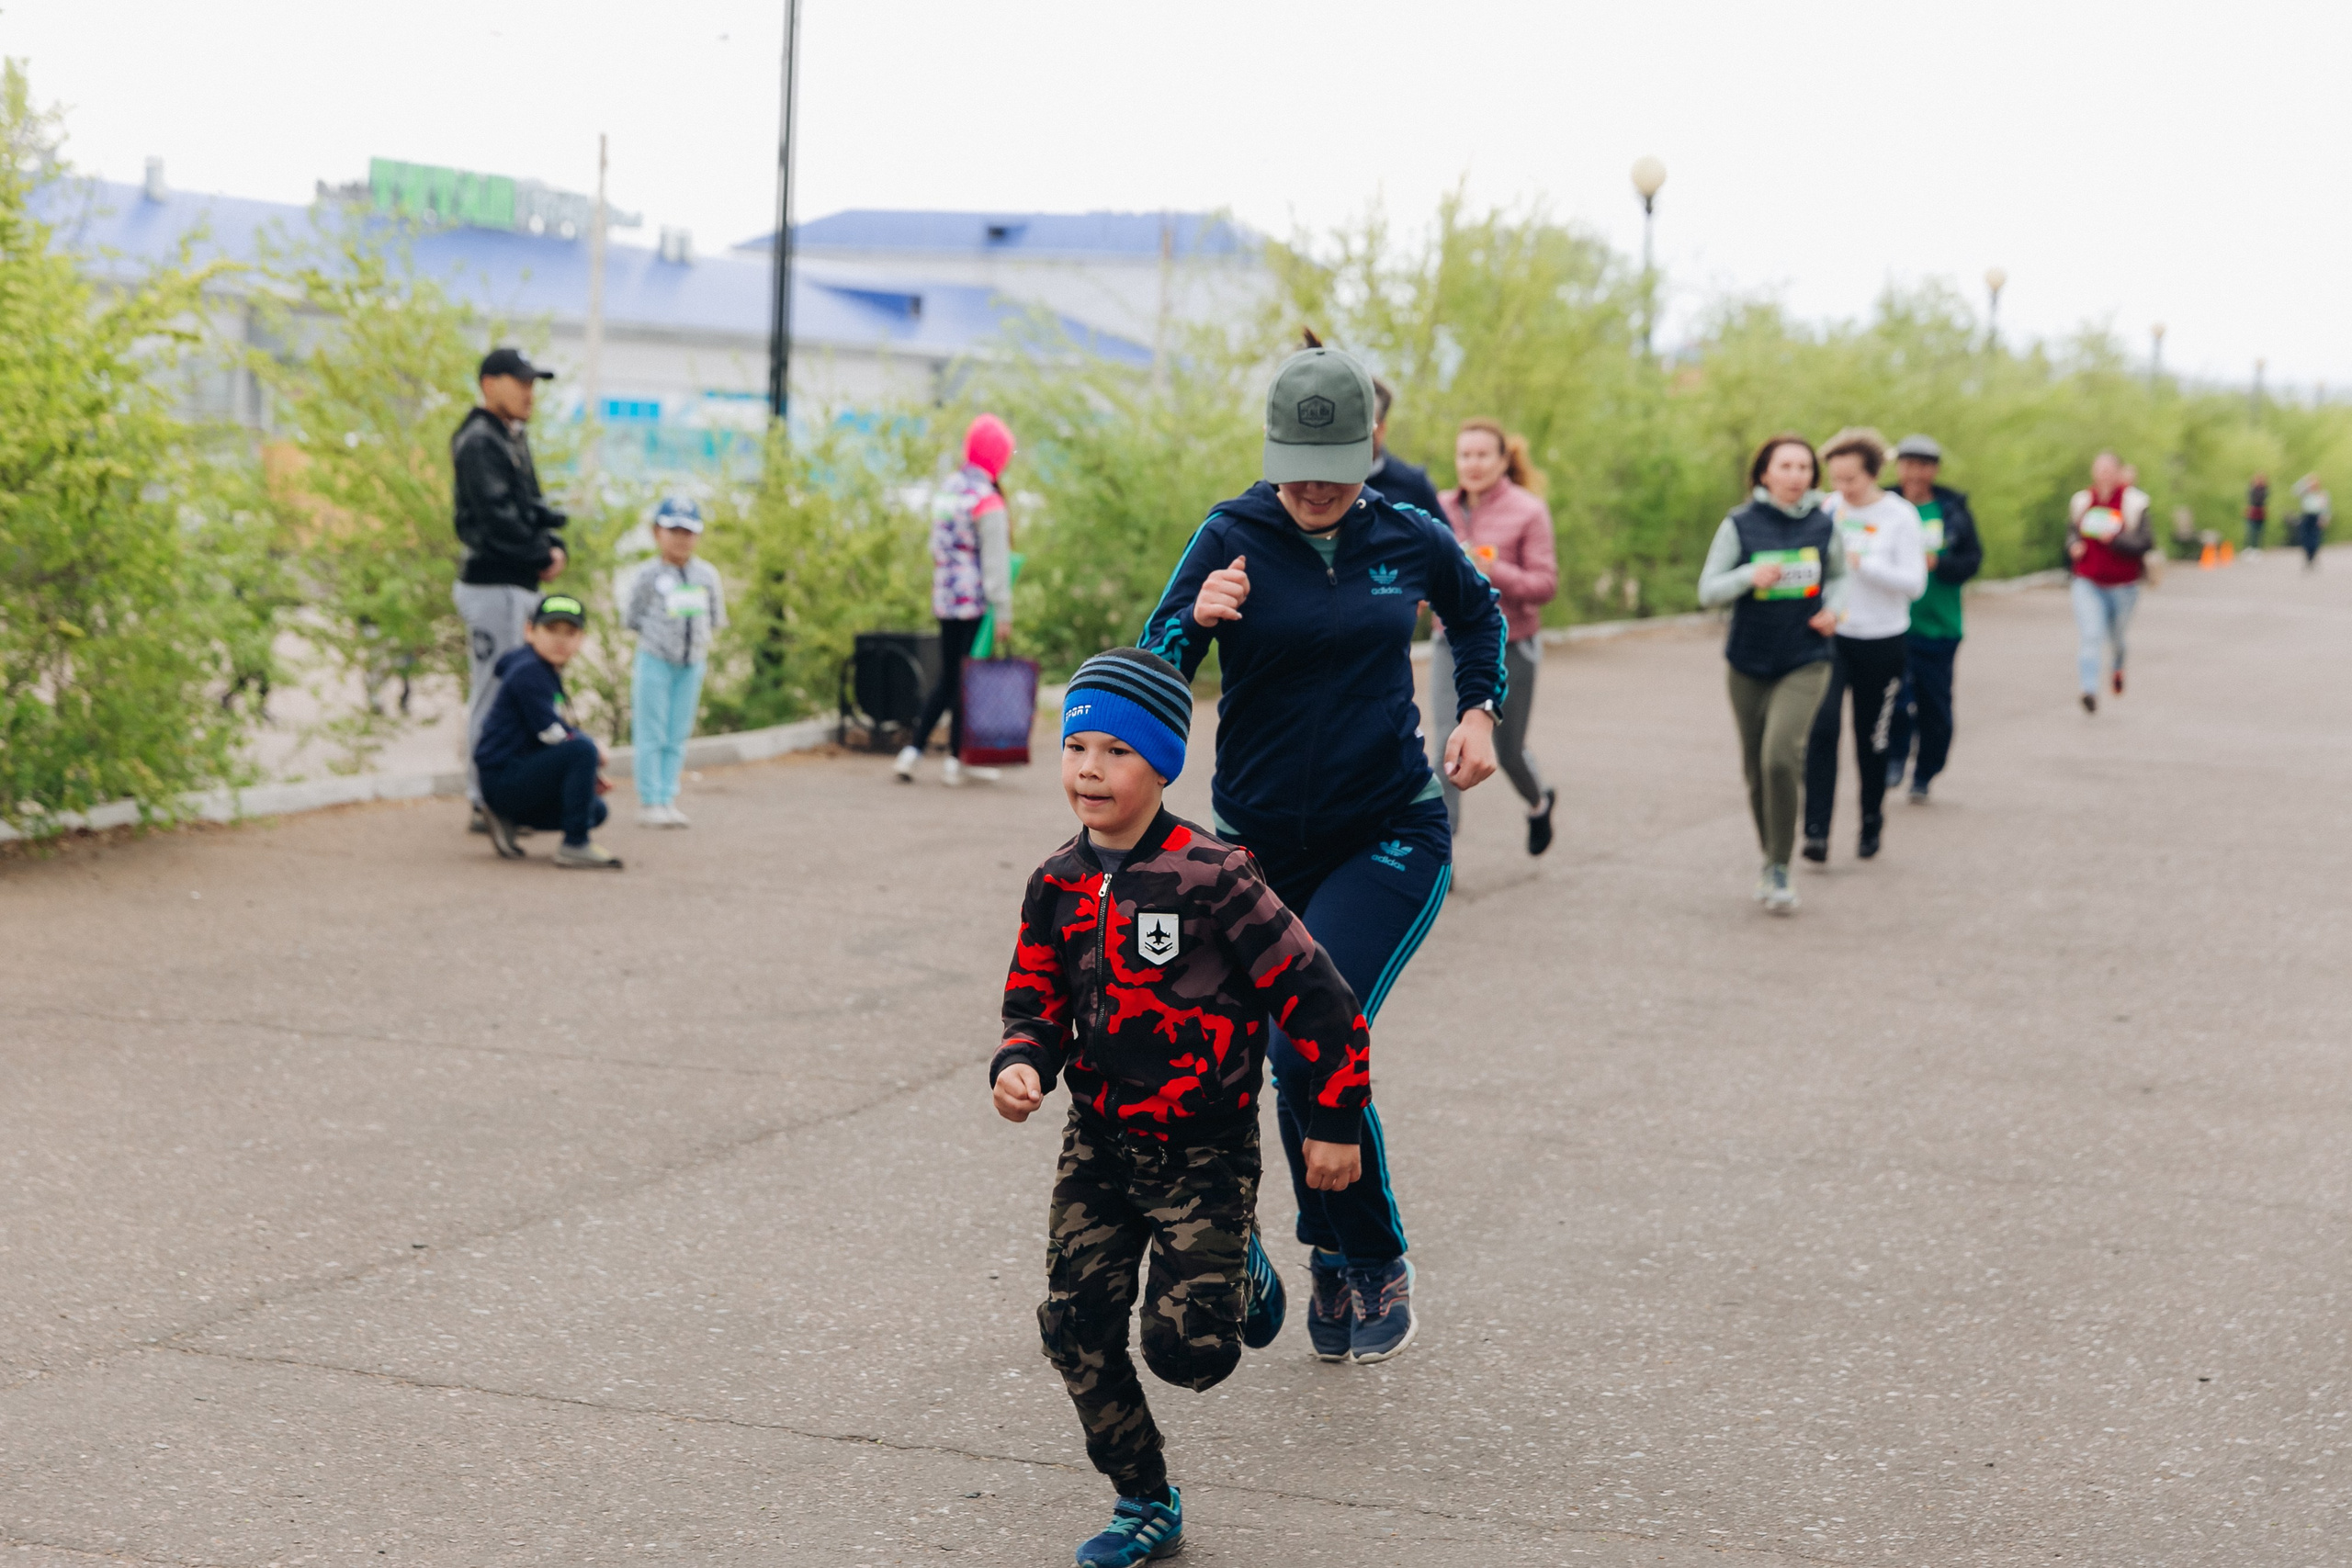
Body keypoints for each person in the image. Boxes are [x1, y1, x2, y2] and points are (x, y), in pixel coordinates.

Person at [1138, 335, 1505, 1363]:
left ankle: (1368, 1253)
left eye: (1332, 469)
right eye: (1291, 468)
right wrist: (1192, 623)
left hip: (1388, 831)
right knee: (1238, 1063)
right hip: (1256, 849)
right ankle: (1314, 1254)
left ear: (1371, 445)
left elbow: (1477, 613)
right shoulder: (1229, 533)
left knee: (1312, 1037)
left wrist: (1478, 712)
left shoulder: (1409, 533)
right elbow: (1150, 673)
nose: (1308, 487)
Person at [992, 647, 1372, 1567]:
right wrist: (1022, 1060)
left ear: (1162, 763)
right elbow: (1033, 995)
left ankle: (1238, 1270)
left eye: (1115, 751)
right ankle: (1142, 1500)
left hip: (1204, 1150)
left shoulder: (1215, 876)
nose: (1089, 768)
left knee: (1186, 1352)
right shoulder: (1058, 881)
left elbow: (1319, 998)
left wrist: (1332, 1120)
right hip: (1099, 1141)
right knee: (1075, 1323)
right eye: (1075, 745)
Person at [1696, 433, 1846, 913]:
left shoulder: (1825, 525)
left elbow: (1840, 576)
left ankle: (1780, 866)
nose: (1796, 475)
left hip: (1806, 656)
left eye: (1804, 468)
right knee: (1756, 770)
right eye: (1786, 466)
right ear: (1764, 473)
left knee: (1781, 757)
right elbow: (1708, 591)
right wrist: (1748, 577)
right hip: (1748, 662)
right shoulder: (1740, 523)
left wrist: (1835, 610)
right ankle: (1770, 858)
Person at [452, 347, 568, 833]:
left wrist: (553, 541)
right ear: (488, 383)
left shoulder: (509, 436)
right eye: (520, 382)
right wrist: (541, 554)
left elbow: (530, 505)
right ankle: (485, 800)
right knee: (495, 689)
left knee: (515, 689)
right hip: (494, 584)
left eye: (533, 383)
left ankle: (503, 794)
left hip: (514, 583)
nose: (529, 393)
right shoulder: (479, 439)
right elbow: (496, 520)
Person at [1432, 419, 1560, 852]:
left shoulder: (1528, 510)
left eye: (1482, 454)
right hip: (1449, 640)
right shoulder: (1438, 508)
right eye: (1464, 455)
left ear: (1503, 460)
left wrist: (1493, 570)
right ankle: (1441, 851)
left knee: (1507, 752)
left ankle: (1539, 802)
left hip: (1514, 645)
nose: (1472, 463)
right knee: (1445, 745)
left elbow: (1545, 585)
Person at [1800, 430, 1926, 863]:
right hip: (1832, 638)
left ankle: (1871, 820)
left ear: (1873, 475)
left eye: (1851, 479)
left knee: (1872, 739)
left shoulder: (1900, 517)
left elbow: (1915, 584)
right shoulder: (1828, 508)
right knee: (1822, 730)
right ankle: (1815, 830)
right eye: (1835, 479)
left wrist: (1864, 563)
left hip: (1883, 640)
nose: (1843, 489)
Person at [897, 415, 1015, 786]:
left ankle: (913, 750)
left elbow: (936, 544)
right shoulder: (988, 499)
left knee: (950, 675)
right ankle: (953, 759)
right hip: (975, 600)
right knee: (967, 678)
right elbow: (996, 563)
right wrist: (1003, 611)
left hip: (945, 595)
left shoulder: (948, 488)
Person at [473, 593, 622, 870]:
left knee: (595, 810)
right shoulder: (529, 670)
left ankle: (509, 818)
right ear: (529, 631)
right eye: (551, 630)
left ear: (581, 639)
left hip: (513, 776)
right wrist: (592, 751)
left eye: (570, 632)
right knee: (582, 749)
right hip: (503, 777)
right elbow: (552, 734)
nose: (560, 639)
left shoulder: (538, 667)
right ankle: (575, 845)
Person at [1882, 435, 1983, 803]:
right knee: (1892, 697)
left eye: (1923, 465)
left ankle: (1926, 771)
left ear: (1934, 469)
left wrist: (1939, 563)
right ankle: (1894, 756)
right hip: (1891, 624)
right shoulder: (1883, 505)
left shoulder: (1951, 509)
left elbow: (1973, 560)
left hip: (1939, 625)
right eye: (1908, 463)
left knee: (1934, 707)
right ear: (1898, 467)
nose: (1915, 472)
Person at [623, 497, 727, 828]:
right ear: (657, 532)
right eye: (674, 530)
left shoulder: (707, 575)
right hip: (655, 660)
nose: (681, 538)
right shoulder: (647, 574)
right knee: (651, 730)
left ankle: (668, 796)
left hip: (692, 662)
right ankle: (650, 799)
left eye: (689, 531)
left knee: (676, 732)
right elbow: (633, 616)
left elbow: (714, 617)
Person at [2067, 452, 2153, 713]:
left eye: (2108, 469)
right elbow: (2071, 532)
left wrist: (2114, 539)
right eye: (2099, 468)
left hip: (2123, 585)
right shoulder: (2082, 501)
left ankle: (2117, 666)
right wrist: (2073, 545)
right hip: (2088, 580)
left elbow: (2146, 543)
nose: (2103, 473)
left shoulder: (2134, 503)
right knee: (2091, 635)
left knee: (2116, 638)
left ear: (2118, 472)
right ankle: (2088, 690)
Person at [1364, 377, 1446, 518]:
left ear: (1382, 429)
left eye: (1365, 424)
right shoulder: (1321, 483)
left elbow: (1444, 537)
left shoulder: (1414, 484)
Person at [2295, 474, 2331, 569]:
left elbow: (2325, 507)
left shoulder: (2321, 494)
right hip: (2306, 516)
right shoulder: (2305, 493)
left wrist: (2325, 518)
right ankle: (2308, 556)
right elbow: (2295, 490)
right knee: (2305, 536)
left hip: (2316, 517)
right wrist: (2305, 480)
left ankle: (2313, 555)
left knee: (2315, 537)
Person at [2245, 473, 2270, 554]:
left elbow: (2262, 499)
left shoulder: (2264, 490)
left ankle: (2257, 548)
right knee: (2251, 530)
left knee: (2259, 530)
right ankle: (2250, 547)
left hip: (2260, 510)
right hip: (2253, 509)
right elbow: (2250, 500)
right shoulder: (2252, 489)